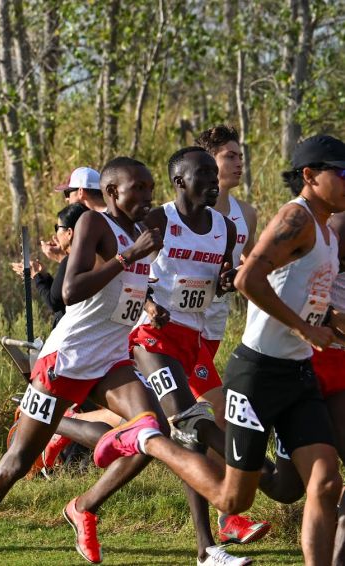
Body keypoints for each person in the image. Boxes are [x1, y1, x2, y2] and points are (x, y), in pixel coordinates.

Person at [95, 134, 345, 566]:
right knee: (233, 499)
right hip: (257, 372)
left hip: (293, 371)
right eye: (341, 173)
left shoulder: (323, 230)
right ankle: (154, 441)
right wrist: (304, 326)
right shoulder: (296, 218)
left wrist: (328, 320)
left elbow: (276, 287)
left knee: (322, 483)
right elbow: (252, 281)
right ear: (309, 176)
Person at [0, 157, 173, 566]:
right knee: (17, 462)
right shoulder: (95, 224)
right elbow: (69, 292)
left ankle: (83, 506)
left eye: (151, 187)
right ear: (113, 191)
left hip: (111, 357)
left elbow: (129, 287)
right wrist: (127, 256)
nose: (148, 195)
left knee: (152, 435)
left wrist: (150, 304)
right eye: (139, 187)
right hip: (67, 358)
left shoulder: (143, 230)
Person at [193, 126, 269, 545]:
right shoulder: (183, 212)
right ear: (208, 164)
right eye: (230, 156)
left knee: (147, 419)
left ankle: (68, 428)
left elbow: (250, 270)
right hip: (179, 333)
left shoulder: (247, 214)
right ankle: (229, 515)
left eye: (240, 156)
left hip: (215, 329)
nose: (238, 163)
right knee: (220, 414)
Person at [11, 203, 88, 326]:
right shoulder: (91, 256)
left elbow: (54, 302)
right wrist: (44, 276)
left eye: (57, 227)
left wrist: (35, 275)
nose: (56, 234)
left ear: (69, 232)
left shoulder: (72, 260)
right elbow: (61, 294)